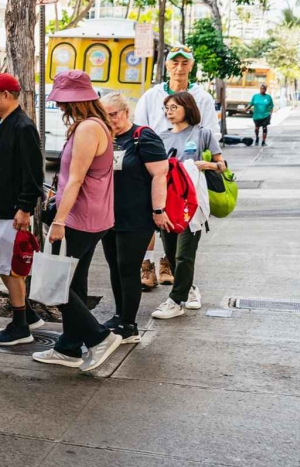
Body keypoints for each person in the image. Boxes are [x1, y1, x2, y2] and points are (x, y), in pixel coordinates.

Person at [31, 70, 122, 372]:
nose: (60, 107)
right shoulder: (99, 126)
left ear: (76, 101)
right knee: (75, 283)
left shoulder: (87, 129)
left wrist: (58, 221)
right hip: (95, 217)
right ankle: (68, 347)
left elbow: (76, 181)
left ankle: (99, 338)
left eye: (63, 102)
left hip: (78, 218)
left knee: (55, 285)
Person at [134, 45, 220, 290]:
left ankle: (169, 265)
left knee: (180, 222)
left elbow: (212, 135)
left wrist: (207, 163)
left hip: (186, 174)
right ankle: (147, 265)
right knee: (152, 215)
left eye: (185, 63)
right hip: (153, 169)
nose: (179, 68)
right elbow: (139, 130)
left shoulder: (202, 97)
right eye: (175, 63)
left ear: (191, 66)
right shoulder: (151, 96)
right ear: (167, 65)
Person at [0, 73, 45, 345]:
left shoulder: (23, 126)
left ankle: (20, 327)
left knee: (11, 266)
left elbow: (33, 174)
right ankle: (26, 314)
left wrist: (25, 208)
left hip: (13, 210)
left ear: (6, 95)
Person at [100, 92, 172, 342]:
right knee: (114, 267)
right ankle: (119, 315)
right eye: (105, 116)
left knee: (128, 268)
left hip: (137, 215)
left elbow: (160, 174)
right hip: (109, 216)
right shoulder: (106, 138)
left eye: (114, 115)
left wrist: (158, 211)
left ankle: (129, 325)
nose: (111, 120)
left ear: (126, 112)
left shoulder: (143, 136)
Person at [150, 92, 225, 320]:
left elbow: (222, 165)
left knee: (185, 254)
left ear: (187, 108)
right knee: (171, 253)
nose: (169, 112)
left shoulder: (202, 134)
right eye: (167, 108)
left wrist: (208, 165)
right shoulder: (160, 137)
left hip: (192, 203)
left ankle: (176, 300)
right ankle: (190, 288)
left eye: (174, 107)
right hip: (167, 202)